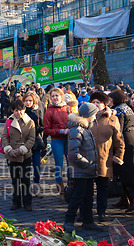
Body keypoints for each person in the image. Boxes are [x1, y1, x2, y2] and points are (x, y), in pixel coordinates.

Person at [64, 103, 101, 233]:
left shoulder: (86, 128)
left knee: (88, 197)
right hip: (81, 171)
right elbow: (73, 153)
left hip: (88, 171)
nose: (96, 116)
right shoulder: (77, 130)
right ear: (88, 115)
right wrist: (86, 163)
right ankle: (69, 221)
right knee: (77, 197)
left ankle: (88, 221)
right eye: (94, 114)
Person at [89, 91, 125, 222]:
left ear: (104, 105)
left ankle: (101, 212)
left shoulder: (112, 118)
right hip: (87, 159)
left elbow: (119, 139)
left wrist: (119, 155)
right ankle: (85, 212)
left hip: (104, 158)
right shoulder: (85, 117)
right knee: (86, 189)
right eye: (93, 102)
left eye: (98, 102)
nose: (96, 104)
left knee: (102, 188)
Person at [109, 89, 134, 213]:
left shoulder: (118, 110)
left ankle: (133, 198)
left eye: (111, 100)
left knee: (125, 171)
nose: (109, 102)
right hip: (133, 138)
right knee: (127, 170)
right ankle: (124, 199)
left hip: (125, 142)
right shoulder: (126, 107)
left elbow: (118, 130)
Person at [1, 99, 35, 211]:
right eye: (16, 110)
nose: (18, 113)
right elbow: (4, 137)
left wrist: (22, 149)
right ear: (13, 111)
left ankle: (27, 202)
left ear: (24, 110)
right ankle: (16, 202)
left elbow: (31, 139)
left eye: (20, 110)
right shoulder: (9, 121)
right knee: (15, 180)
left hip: (25, 155)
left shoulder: (30, 122)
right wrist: (8, 149)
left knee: (25, 180)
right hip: (12, 155)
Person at [43, 87, 69, 200]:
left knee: (71, 164)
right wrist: (60, 131)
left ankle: (71, 187)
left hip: (69, 140)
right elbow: (46, 129)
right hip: (57, 140)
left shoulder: (67, 108)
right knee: (59, 166)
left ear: (61, 96)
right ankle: (61, 191)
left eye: (57, 95)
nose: (55, 98)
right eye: (53, 96)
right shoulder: (49, 111)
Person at [23, 91, 44, 196]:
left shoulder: (37, 112)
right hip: (24, 142)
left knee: (36, 165)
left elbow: (42, 126)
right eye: (26, 101)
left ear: (33, 101)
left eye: (30, 101)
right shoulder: (21, 112)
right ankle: (26, 188)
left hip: (35, 142)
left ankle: (37, 186)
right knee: (25, 166)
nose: (28, 103)